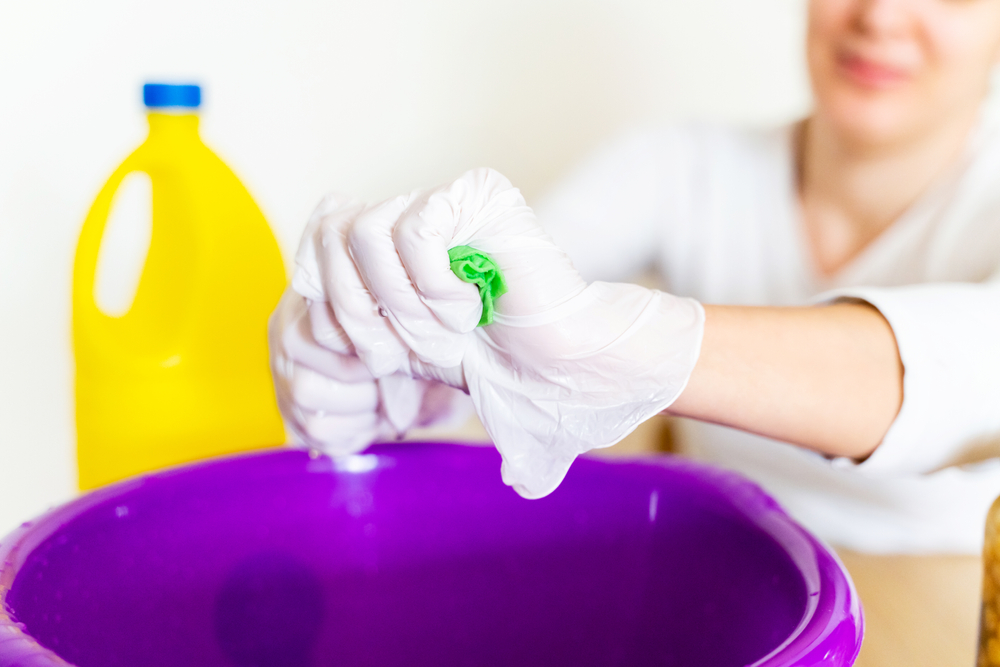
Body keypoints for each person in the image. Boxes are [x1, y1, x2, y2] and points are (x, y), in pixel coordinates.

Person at [270, 0, 1000, 553]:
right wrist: (401, 351)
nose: (881, 17)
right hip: (726, 576)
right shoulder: (683, 167)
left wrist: (633, 348)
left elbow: (969, 374)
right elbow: (513, 289)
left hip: (948, 610)